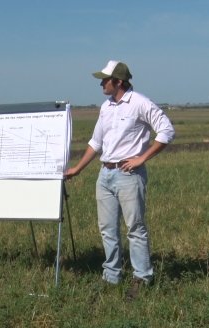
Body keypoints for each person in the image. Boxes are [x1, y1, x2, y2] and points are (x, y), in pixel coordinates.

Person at [64, 60, 175, 301]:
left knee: (135, 228)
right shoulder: (106, 107)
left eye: (105, 79)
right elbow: (96, 142)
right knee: (107, 228)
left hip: (129, 175)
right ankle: (111, 275)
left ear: (119, 81)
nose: (101, 83)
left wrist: (141, 159)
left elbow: (166, 130)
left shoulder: (140, 103)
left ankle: (142, 277)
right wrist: (77, 169)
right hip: (105, 174)